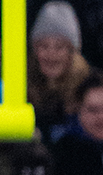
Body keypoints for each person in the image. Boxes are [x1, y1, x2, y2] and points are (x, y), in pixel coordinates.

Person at [28, 1, 87, 132]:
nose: (51, 55)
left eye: (59, 47)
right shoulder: (21, 85)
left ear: (73, 52)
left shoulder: (87, 89)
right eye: (44, 46)